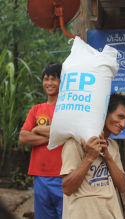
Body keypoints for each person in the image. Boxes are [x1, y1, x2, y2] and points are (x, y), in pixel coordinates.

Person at [60, 94, 125, 219]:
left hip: (111, 214)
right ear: (104, 112)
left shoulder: (112, 146)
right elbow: (67, 188)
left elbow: (123, 186)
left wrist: (108, 157)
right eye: (120, 117)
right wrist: (89, 157)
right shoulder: (75, 143)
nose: (123, 124)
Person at [19, 63, 63, 219]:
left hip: (64, 175)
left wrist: (37, 129)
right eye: (46, 79)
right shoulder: (36, 109)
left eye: (54, 79)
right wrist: (55, 135)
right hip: (40, 174)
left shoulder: (66, 108)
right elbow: (23, 137)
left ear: (62, 81)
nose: (49, 83)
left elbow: (66, 131)